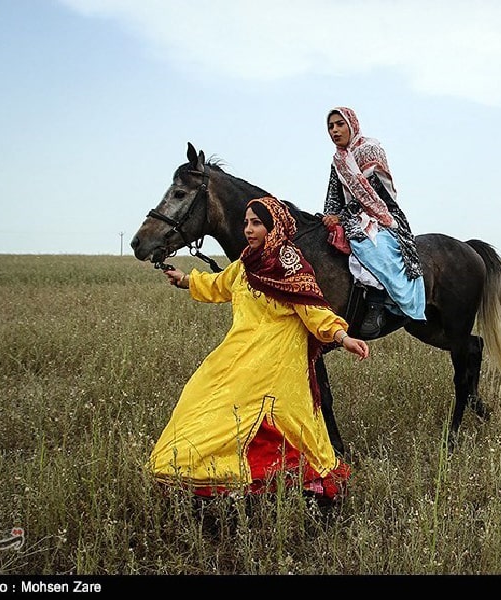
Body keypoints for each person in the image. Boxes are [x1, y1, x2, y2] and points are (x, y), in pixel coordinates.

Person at [150, 196, 369, 502]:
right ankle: (196, 468)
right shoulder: (245, 263)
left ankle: (274, 479)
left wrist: (342, 336)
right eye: (247, 223)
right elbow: (220, 285)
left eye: (257, 223)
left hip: (277, 357)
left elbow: (313, 309)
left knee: (261, 413)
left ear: (273, 226)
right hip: (242, 349)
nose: (249, 229)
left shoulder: (289, 264)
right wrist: (186, 280)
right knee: (200, 393)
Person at [322, 106, 426, 338]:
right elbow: (333, 196)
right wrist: (329, 216)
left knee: (369, 245)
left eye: (340, 124)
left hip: (382, 214)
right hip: (350, 215)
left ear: (352, 124)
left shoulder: (371, 151)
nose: (335, 130)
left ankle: (377, 304)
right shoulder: (338, 160)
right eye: (331, 126)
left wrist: (341, 216)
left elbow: (377, 196)